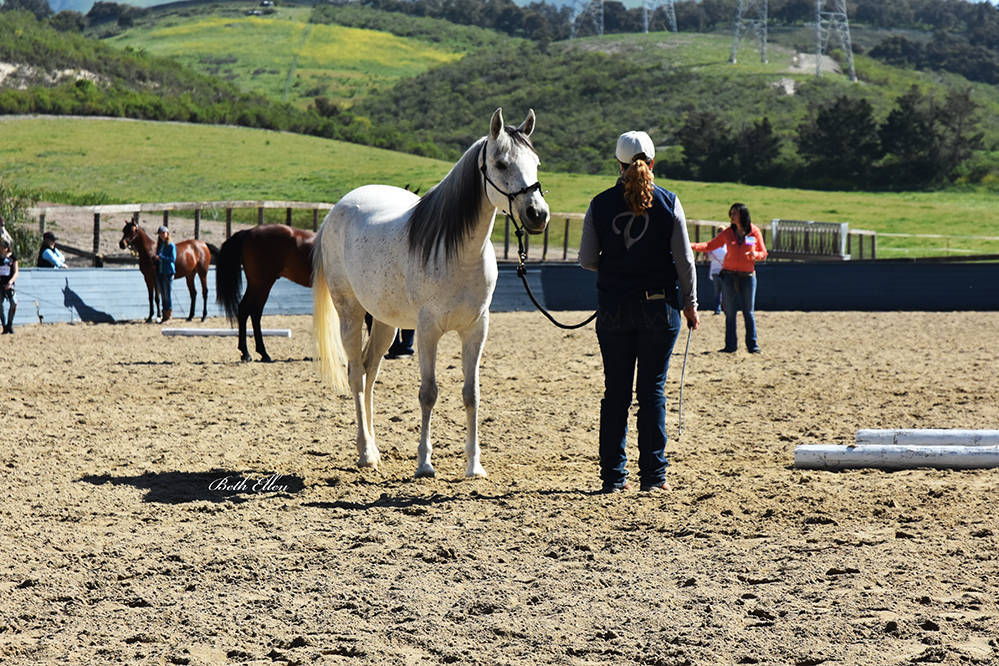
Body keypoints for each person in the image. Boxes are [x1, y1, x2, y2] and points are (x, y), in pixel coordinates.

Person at [579, 131, 700, 494]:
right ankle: (654, 477)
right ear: (653, 161)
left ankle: (613, 478)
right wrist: (690, 303)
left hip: (614, 310)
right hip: (659, 310)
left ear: (617, 163)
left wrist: (617, 269)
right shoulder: (669, 201)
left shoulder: (599, 204)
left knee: (615, 394)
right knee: (652, 393)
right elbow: (685, 260)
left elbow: (587, 260)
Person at [691, 203, 767, 353]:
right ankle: (730, 346)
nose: (731, 216)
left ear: (742, 215)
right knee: (730, 313)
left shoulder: (754, 232)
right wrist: (691, 245)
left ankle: (753, 346)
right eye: (731, 213)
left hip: (748, 276)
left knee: (748, 312)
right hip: (729, 276)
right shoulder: (727, 233)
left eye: (734, 214)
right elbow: (709, 245)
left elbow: (763, 253)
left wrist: (755, 255)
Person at [153, 225, 176, 323]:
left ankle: (169, 315)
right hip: (161, 272)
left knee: (167, 294)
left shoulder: (171, 245)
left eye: (163, 233)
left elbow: (173, 259)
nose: (162, 235)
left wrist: (161, 257)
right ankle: (164, 315)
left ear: (167, 234)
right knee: (162, 294)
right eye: (160, 234)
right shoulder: (160, 245)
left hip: (168, 272)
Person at [705, 229, 727, 315]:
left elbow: (709, 257)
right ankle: (724, 309)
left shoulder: (713, 246)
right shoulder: (727, 246)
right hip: (724, 272)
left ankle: (718, 309)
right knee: (724, 292)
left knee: (718, 292)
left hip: (716, 271)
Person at [1, 238, 18, 334]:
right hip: (0, 285)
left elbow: (16, 272)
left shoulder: (13, 258)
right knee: (1, 305)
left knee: (14, 303)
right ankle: (4, 326)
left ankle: (10, 324)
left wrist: (10, 282)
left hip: (9, 285)